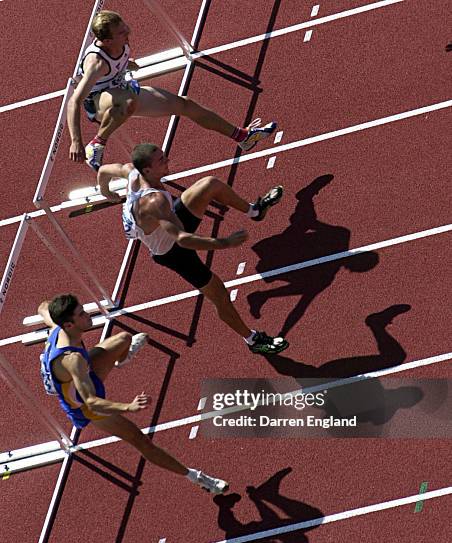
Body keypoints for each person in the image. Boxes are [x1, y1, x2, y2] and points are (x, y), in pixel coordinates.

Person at [97, 143, 290, 355]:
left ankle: (255, 211)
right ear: (147, 171)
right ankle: (252, 340)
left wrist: (106, 192)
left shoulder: (131, 171)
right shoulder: (155, 201)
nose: (167, 160)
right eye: (161, 160)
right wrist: (225, 243)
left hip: (169, 223)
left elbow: (104, 170)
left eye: (164, 155)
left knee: (209, 184)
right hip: (172, 252)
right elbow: (183, 239)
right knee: (219, 294)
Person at [38, 294, 228, 494]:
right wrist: (128, 407)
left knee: (124, 338)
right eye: (81, 314)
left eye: (84, 310)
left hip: (83, 374)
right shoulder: (72, 359)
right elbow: (93, 402)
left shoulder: (57, 325)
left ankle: (123, 357)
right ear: (68, 325)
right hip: (85, 405)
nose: (88, 315)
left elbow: (43, 306)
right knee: (141, 440)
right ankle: (197, 478)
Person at [68, 10, 277, 171]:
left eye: (125, 27)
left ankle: (242, 137)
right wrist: (76, 141)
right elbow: (73, 101)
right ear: (107, 41)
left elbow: (118, 62)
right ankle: (97, 144)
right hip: (97, 102)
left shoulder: (120, 42)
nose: (128, 32)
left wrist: (125, 64)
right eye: (121, 32)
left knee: (184, 104)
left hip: (121, 89)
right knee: (129, 102)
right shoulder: (96, 64)